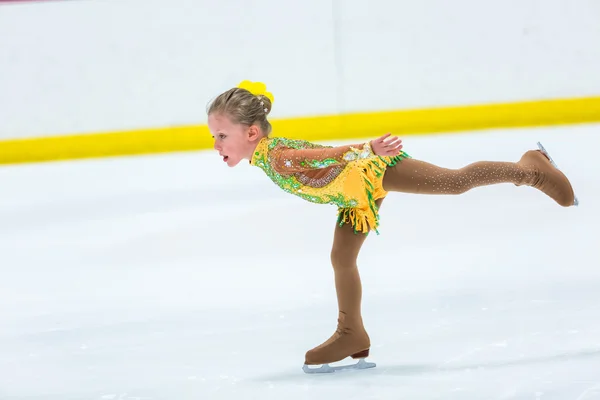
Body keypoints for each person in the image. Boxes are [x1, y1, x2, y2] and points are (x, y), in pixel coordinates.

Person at [206, 80, 578, 371]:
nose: (216, 144)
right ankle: (351, 333)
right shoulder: (268, 158)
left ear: (251, 133)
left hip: (373, 170)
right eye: (214, 137)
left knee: (456, 182)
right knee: (342, 258)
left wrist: (369, 149)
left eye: (222, 136)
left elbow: (324, 154)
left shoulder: (278, 158)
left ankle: (532, 169)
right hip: (354, 196)